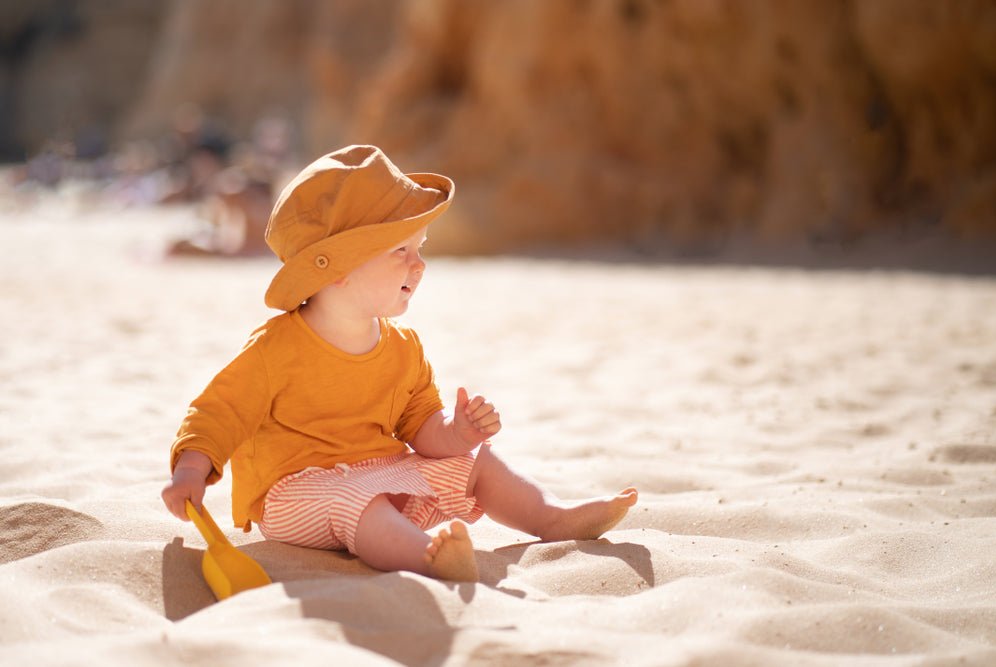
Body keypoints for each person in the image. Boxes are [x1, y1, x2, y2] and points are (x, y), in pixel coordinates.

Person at [161, 145, 638, 582]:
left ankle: (550, 516)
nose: (420, 264)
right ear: (339, 268)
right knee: (357, 503)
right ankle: (424, 554)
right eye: (401, 251)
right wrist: (191, 471)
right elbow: (219, 413)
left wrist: (458, 433)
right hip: (296, 494)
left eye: (421, 249)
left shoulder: (403, 347)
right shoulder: (274, 349)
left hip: (382, 472)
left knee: (477, 462)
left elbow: (422, 428)